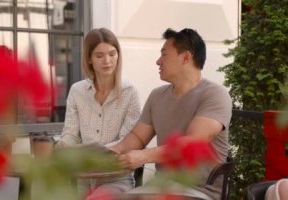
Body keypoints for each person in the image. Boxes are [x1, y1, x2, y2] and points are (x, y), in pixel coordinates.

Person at [110, 28, 232, 200]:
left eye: (164, 54)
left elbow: (192, 142)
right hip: (161, 187)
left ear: (186, 58)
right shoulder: (157, 95)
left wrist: (143, 156)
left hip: (201, 191)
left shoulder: (215, 95)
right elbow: (137, 137)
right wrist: (110, 152)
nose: (158, 61)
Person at [55, 28, 141, 199]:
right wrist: (64, 145)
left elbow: (127, 143)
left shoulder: (130, 93)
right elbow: (71, 134)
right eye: (99, 56)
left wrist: (88, 154)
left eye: (112, 54)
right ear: (89, 59)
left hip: (117, 179)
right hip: (82, 179)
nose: (107, 61)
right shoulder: (77, 91)